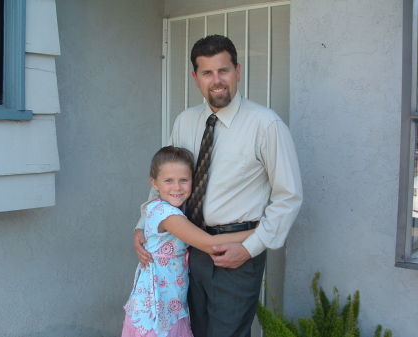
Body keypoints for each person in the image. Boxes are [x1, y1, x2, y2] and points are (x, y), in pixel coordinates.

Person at [134, 35, 302, 337]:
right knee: (190, 331)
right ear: (195, 77)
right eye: (207, 73)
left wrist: (250, 248)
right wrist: (143, 225)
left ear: (237, 71)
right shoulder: (185, 121)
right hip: (186, 251)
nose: (217, 80)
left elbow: (288, 198)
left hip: (236, 254)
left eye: (223, 71)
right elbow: (166, 178)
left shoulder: (266, 125)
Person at [122, 146, 254, 337]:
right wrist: (257, 232)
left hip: (169, 300)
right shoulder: (167, 215)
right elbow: (210, 243)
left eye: (183, 180)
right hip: (158, 307)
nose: (177, 187)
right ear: (154, 183)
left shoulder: (161, 208)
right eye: (168, 181)